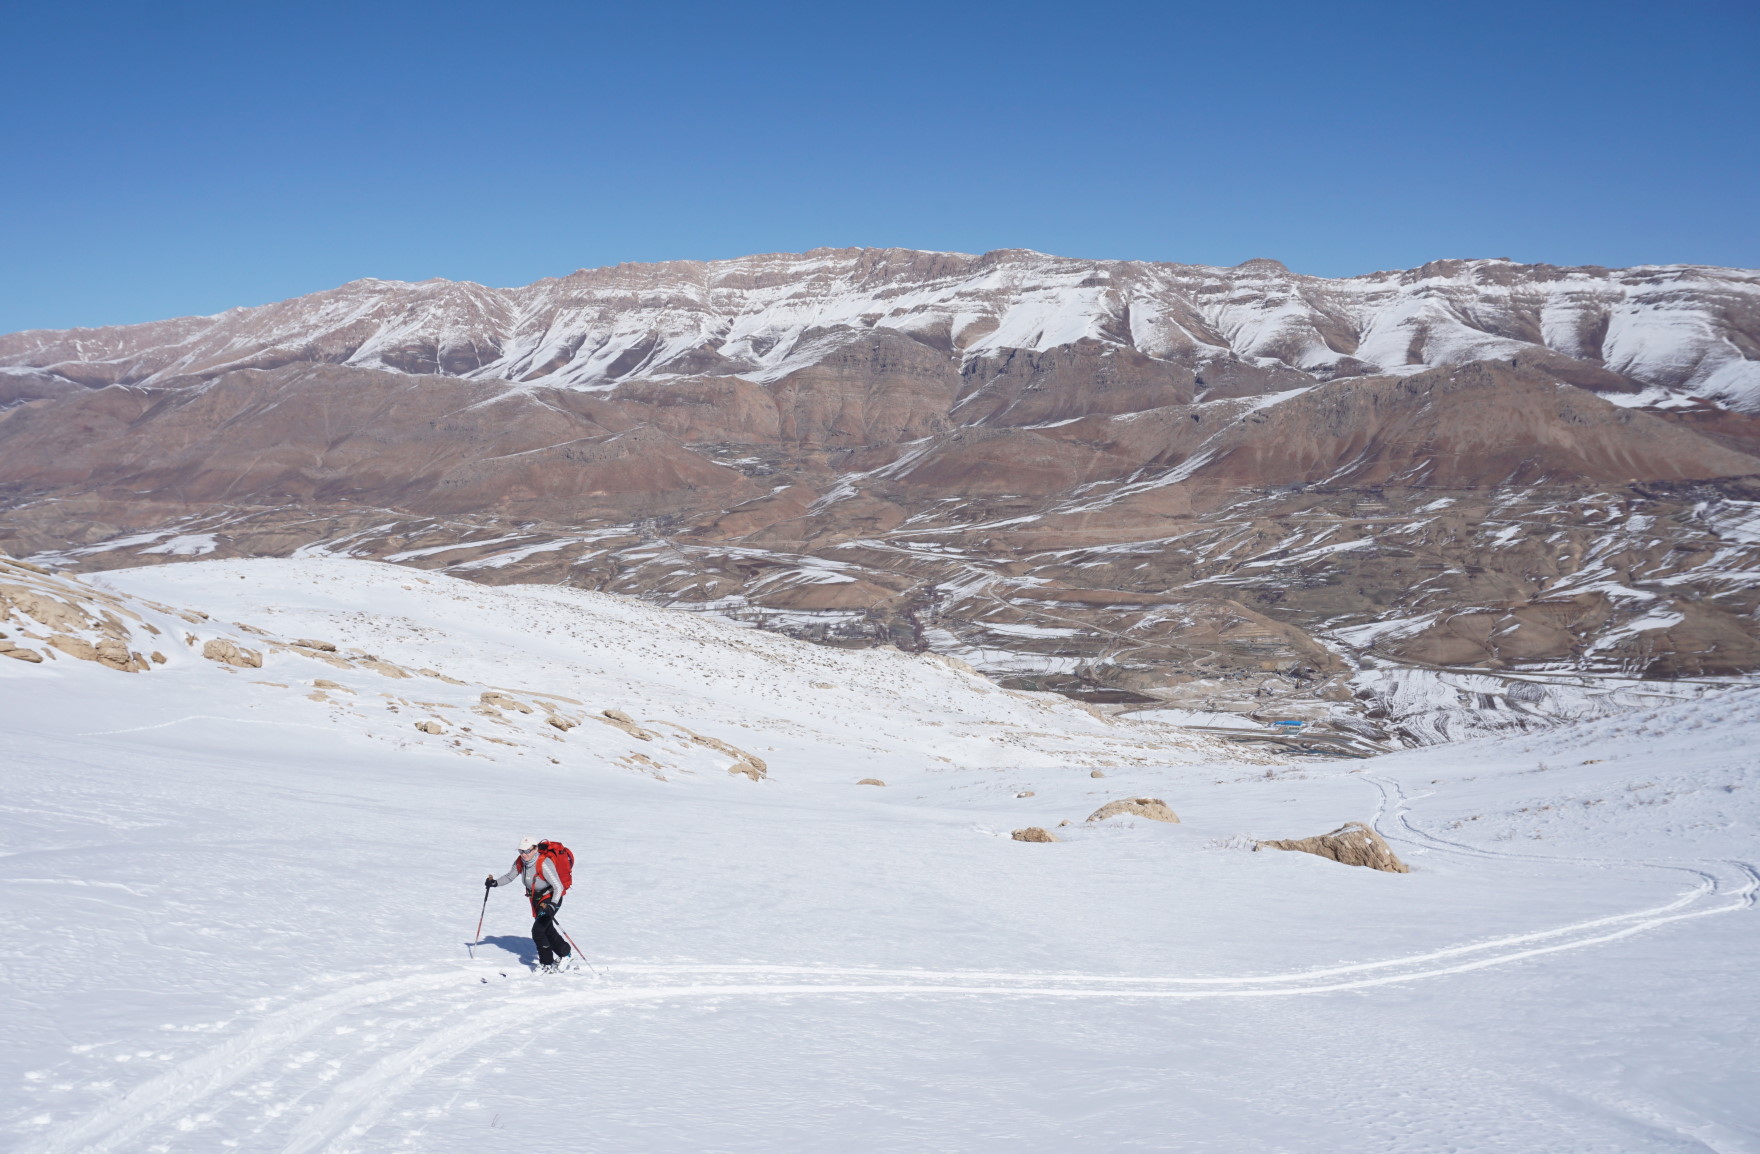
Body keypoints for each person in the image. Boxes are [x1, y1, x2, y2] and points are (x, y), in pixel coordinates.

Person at [486, 836, 573, 972]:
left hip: (551, 898)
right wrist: (495, 883)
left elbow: (558, 887)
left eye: (527, 851)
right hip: (537, 900)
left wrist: (552, 905)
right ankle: (565, 953)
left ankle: (546, 964)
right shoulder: (521, 861)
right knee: (546, 928)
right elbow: (510, 876)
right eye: (521, 851)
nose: (524, 854)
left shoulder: (544, 863)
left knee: (538, 931)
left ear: (535, 849)